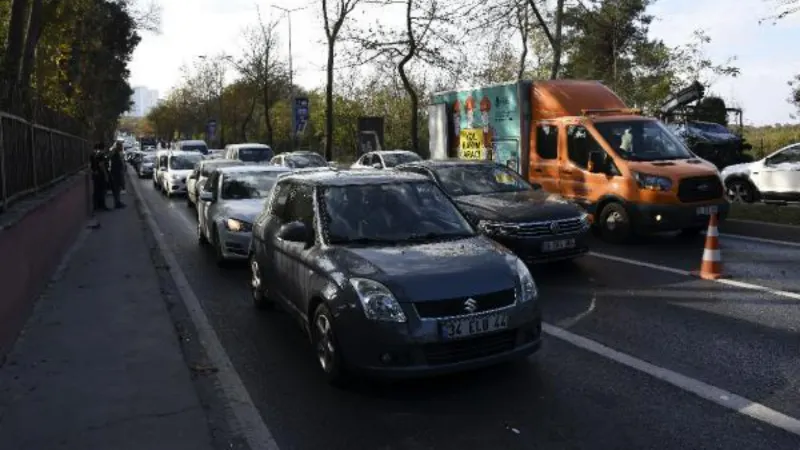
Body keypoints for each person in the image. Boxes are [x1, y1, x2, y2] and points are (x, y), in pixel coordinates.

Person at [90, 143, 109, 211]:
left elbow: (92, 165)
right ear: (103, 148)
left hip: (96, 175)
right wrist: (106, 174)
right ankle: (102, 205)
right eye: (105, 148)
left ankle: (96, 206)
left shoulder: (94, 155)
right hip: (101, 175)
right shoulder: (101, 155)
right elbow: (101, 165)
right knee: (102, 191)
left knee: (97, 190)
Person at [108, 141, 126, 208]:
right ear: (118, 146)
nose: (122, 147)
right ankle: (117, 203)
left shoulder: (117, 153)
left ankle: (118, 202)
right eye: (121, 146)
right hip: (116, 174)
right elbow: (115, 165)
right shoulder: (115, 154)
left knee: (118, 189)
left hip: (117, 173)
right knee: (116, 189)